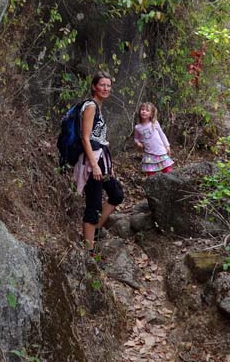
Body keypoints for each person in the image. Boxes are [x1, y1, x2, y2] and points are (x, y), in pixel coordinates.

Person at [73, 71, 124, 251]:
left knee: (116, 194)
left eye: (108, 85)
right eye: (102, 85)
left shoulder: (98, 107)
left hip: (100, 160)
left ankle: (94, 231)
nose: (106, 88)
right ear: (94, 86)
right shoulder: (91, 106)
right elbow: (85, 138)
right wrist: (94, 166)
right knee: (93, 206)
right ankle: (89, 251)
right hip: (91, 162)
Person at [134, 102, 174, 176]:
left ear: (151, 114)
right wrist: (138, 143)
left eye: (147, 110)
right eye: (142, 109)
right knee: (151, 173)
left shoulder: (154, 123)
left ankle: (171, 185)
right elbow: (136, 139)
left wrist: (167, 145)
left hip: (160, 151)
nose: (144, 111)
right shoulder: (137, 127)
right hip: (149, 154)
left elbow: (162, 134)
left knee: (168, 171)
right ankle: (152, 186)